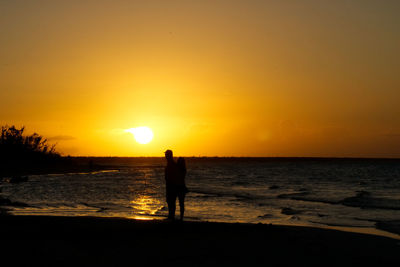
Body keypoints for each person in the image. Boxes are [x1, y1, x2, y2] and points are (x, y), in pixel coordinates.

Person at [164, 150, 188, 221]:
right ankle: (174, 217)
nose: (165, 156)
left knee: (172, 201)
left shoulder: (172, 164)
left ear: (169, 155)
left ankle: (172, 216)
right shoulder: (173, 164)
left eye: (166, 154)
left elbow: (174, 177)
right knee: (174, 202)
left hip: (173, 186)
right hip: (175, 186)